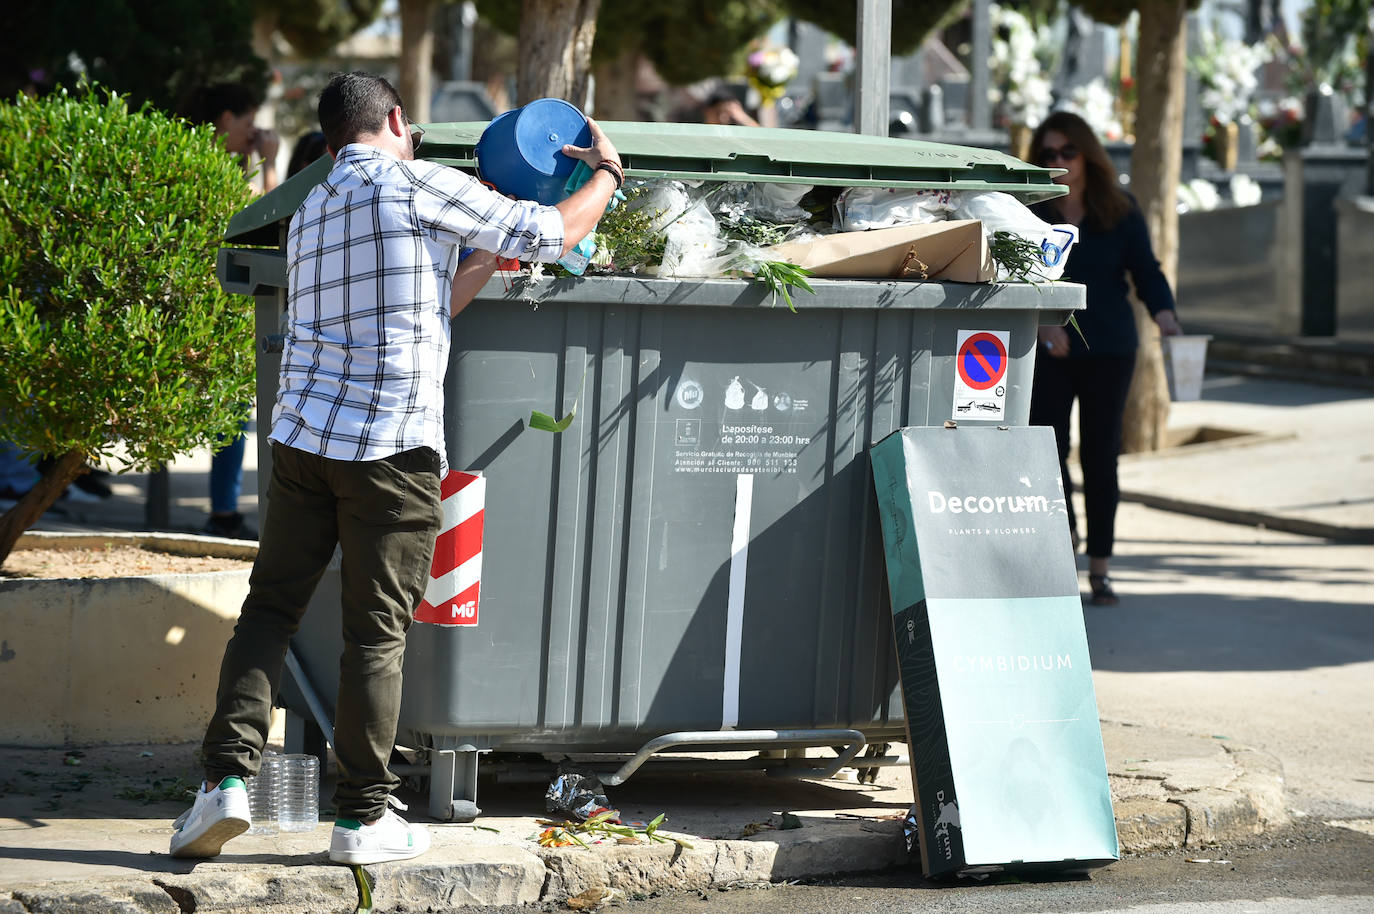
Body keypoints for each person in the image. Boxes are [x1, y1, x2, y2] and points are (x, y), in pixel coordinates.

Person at [170, 71, 622, 864]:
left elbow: (425, 302)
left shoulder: (309, 208)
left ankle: (223, 785)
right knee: (374, 635)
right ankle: (361, 818)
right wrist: (610, 175)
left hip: (305, 445)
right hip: (391, 450)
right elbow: (554, 231)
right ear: (399, 121)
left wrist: (481, 259)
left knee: (270, 611)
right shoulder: (419, 185)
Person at [1025, 110, 1183, 607]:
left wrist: (1166, 315)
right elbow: (1016, 276)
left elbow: (1147, 272)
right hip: (1049, 348)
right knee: (1048, 449)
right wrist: (1041, 321)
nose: (1058, 162)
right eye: (1047, 154)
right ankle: (1063, 543)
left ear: (1087, 154)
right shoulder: (1028, 211)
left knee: (1100, 455)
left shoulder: (1120, 209)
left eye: (1067, 151)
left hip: (1110, 347)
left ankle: (1101, 567)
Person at [187, 83, 282, 540]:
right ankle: (223, 510)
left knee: (232, 411)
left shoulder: (211, 161)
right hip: (209, 309)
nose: (253, 133)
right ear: (226, 120)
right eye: (247, 124)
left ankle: (224, 508)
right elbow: (263, 218)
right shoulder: (203, 166)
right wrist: (269, 164)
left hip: (216, 304)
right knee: (230, 410)